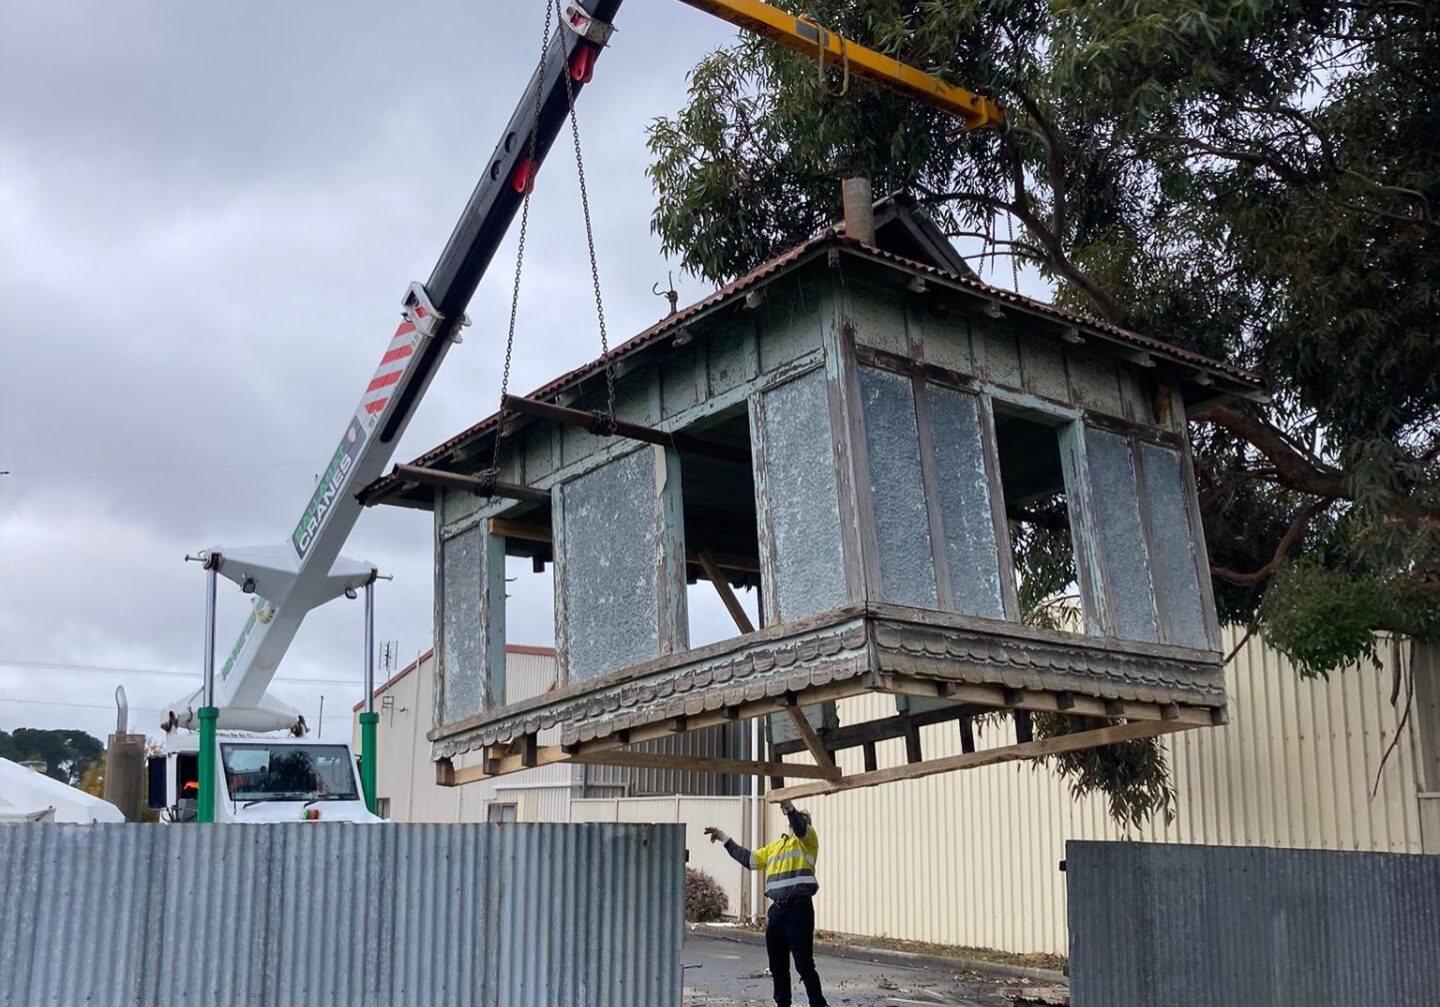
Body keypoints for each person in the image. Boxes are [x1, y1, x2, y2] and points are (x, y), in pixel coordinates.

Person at [705, 800, 827, 1007]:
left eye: (801, 819)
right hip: (778, 911)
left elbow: (800, 827)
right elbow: (748, 859)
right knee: (778, 966)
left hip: (799, 909)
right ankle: (782, 1004)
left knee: (804, 964)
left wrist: (790, 809)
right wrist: (724, 838)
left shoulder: (808, 840)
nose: (798, 822)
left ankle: (818, 1004)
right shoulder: (775, 847)